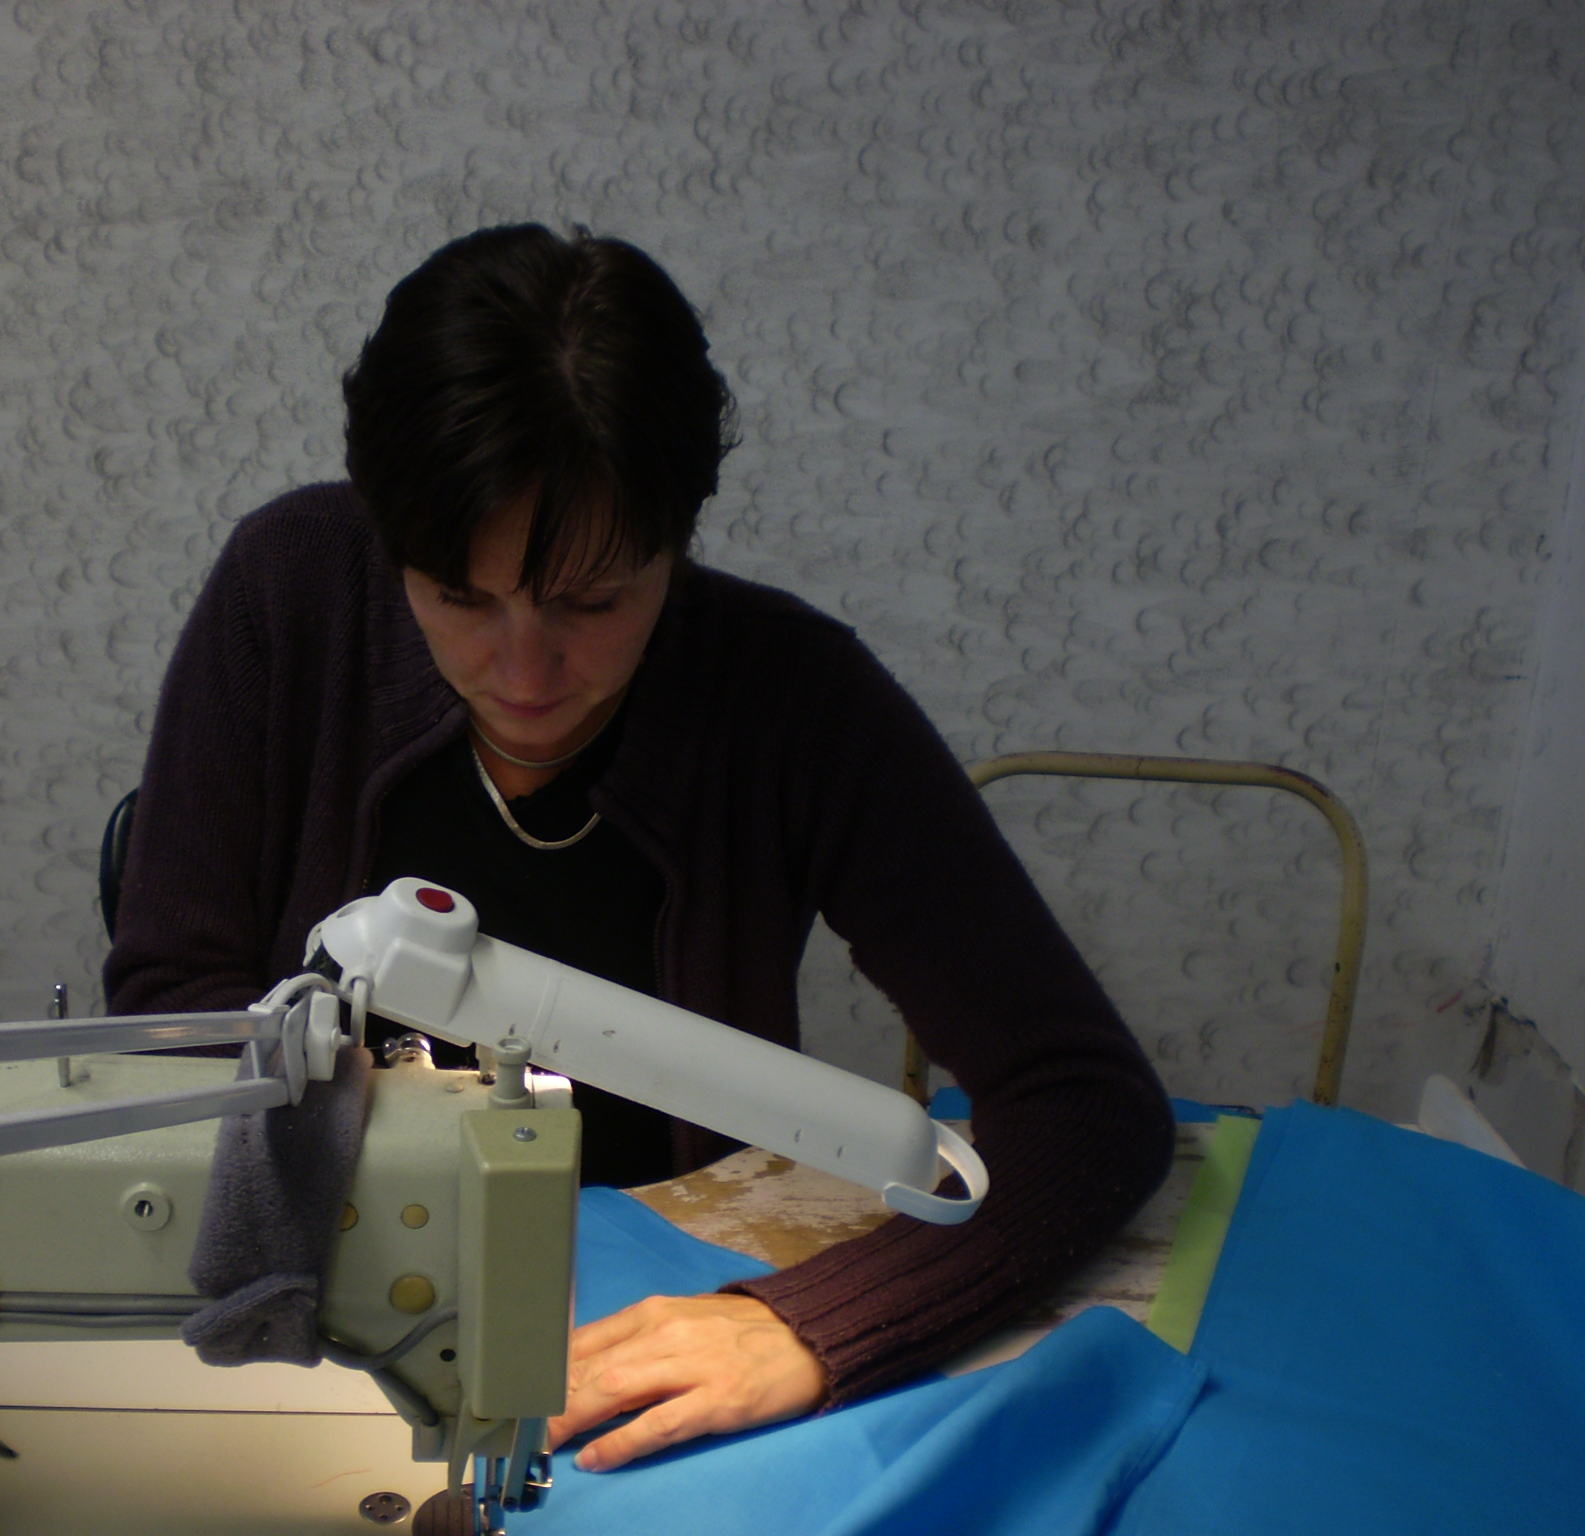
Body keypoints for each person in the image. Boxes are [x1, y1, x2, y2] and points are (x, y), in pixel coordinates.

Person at [106, 224, 1173, 1472]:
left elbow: (1084, 1101)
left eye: (590, 602)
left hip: (657, 1311)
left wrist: (814, 1326)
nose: (522, 672)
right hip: (327, 1287)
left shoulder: (793, 699)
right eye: (458, 596)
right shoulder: (288, 593)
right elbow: (174, 1005)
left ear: (677, 536)